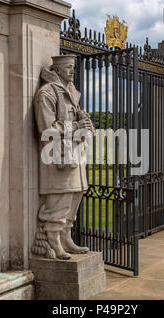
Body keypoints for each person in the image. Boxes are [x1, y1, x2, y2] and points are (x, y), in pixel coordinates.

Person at [34, 55, 95, 260]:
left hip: (75, 154)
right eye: (68, 68)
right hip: (58, 156)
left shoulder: (70, 93)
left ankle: (66, 237)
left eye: (73, 68)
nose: (72, 71)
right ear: (57, 70)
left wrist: (84, 122)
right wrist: (76, 126)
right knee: (60, 199)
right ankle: (53, 241)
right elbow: (47, 128)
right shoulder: (47, 93)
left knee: (75, 196)